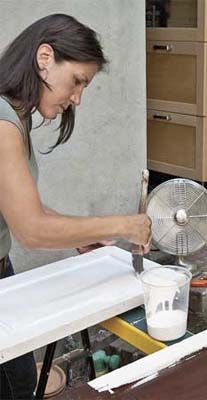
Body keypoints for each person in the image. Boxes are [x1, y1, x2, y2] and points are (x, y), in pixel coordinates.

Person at [0, 14, 151, 400]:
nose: (77, 98)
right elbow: (30, 229)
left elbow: (27, 208)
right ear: (45, 58)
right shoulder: (2, 123)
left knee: (19, 379)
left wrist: (92, 234)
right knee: (16, 387)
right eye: (78, 81)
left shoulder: (15, 115)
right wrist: (123, 225)